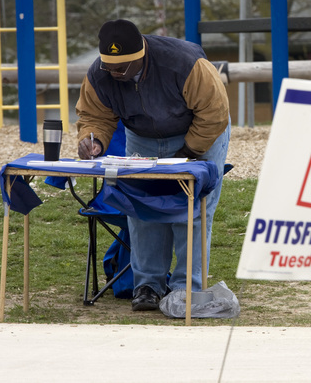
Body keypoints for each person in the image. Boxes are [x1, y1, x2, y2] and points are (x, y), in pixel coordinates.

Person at [76, 19, 230, 311]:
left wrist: (187, 153)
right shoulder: (99, 73)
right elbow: (94, 116)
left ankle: (187, 289)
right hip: (142, 137)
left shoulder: (185, 63)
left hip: (198, 131)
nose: (115, 73)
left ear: (141, 57)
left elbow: (214, 112)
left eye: (122, 68)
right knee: (142, 208)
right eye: (110, 67)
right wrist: (92, 140)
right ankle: (147, 285)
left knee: (193, 209)